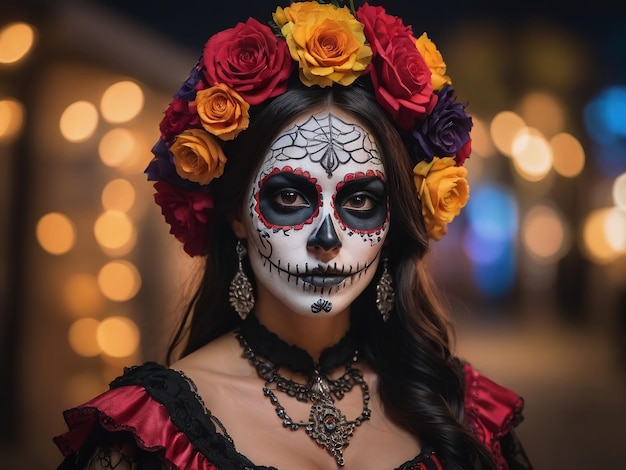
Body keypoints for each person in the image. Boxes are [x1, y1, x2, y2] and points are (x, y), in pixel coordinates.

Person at [53, 1, 533, 469]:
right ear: (236, 214)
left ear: (394, 223)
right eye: (289, 198)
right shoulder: (149, 437)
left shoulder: (464, 412)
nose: (326, 238)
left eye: (360, 202)